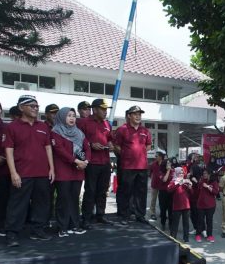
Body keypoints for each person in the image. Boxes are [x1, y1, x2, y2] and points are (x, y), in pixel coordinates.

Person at [3, 95, 55, 246]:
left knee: (42, 203)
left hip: (42, 173)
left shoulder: (43, 126)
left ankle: (37, 230)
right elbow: (9, 150)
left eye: (37, 106)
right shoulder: (12, 127)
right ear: (21, 108)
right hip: (22, 173)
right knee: (17, 204)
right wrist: (13, 173)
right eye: (31, 106)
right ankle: (12, 234)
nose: (35, 108)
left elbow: (48, 148)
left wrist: (51, 168)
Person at [51, 107, 90, 236]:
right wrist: (76, 161)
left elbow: (87, 148)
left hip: (78, 171)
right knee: (63, 199)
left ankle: (74, 225)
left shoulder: (79, 133)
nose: (72, 118)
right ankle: (62, 227)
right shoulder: (56, 132)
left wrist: (86, 162)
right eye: (68, 115)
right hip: (63, 171)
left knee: (74, 198)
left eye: (73, 115)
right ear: (62, 117)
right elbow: (59, 150)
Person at [77, 99, 114, 229]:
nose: (105, 112)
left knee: (103, 190)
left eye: (106, 109)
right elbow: (77, 140)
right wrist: (91, 145)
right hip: (91, 162)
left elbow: (110, 139)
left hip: (105, 161)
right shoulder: (83, 122)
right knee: (90, 190)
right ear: (95, 109)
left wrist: (110, 144)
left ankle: (100, 215)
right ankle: (86, 218)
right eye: (103, 109)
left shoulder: (107, 124)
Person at [113, 105, 152, 225]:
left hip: (142, 167)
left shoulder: (145, 131)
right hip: (127, 167)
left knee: (141, 192)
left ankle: (140, 215)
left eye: (139, 114)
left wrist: (139, 153)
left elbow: (149, 145)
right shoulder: (122, 129)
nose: (138, 116)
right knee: (126, 192)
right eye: (135, 114)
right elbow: (117, 146)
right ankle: (125, 216)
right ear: (129, 116)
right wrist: (126, 154)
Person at [168, 167, 192, 242]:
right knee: (175, 223)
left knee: (186, 223)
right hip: (177, 206)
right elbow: (169, 189)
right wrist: (179, 183)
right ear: (176, 173)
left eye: (182, 173)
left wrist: (190, 188)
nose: (181, 174)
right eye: (180, 173)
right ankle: (173, 237)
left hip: (186, 205)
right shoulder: (173, 181)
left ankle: (186, 238)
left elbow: (192, 193)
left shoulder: (186, 181)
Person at [195, 169, 219, 242]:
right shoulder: (201, 181)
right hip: (201, 205)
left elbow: (215, 192)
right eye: (204, 173)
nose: (204, 175)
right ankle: (198, 234)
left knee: (209, 221)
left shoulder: (214, 182)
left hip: (210, 205)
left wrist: (208, 187)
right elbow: (197, 189)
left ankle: (210, 235)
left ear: (209, 174)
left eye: (206, 173)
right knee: (200, 220)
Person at [0, 99, 11, 236]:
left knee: (3, 199)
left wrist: (2, 157)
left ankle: (1, 225)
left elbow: (10, 147)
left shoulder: (6, 127)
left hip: (2, 170)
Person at [158, 156, 173, 230]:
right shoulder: (161, 172)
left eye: (169, 163)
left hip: (170, 193)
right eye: (168, 164)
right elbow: (164, 180)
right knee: (163, 209)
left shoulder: (172, 171)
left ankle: (171, 224)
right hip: (163, 193)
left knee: (171, 209)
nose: (169, 165)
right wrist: (168, 171)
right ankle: (163, 223)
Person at [149, 152, 164, 220]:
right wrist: (152, 177)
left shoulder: (164, 163)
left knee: (162, 200)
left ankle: (162, 213)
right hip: (154, 184)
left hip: (162, 185)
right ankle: (152, 213)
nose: (155, 157)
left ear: (160, 157)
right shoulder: (153, 164)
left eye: (156, 156)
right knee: (153, 200)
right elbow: (150, 172)